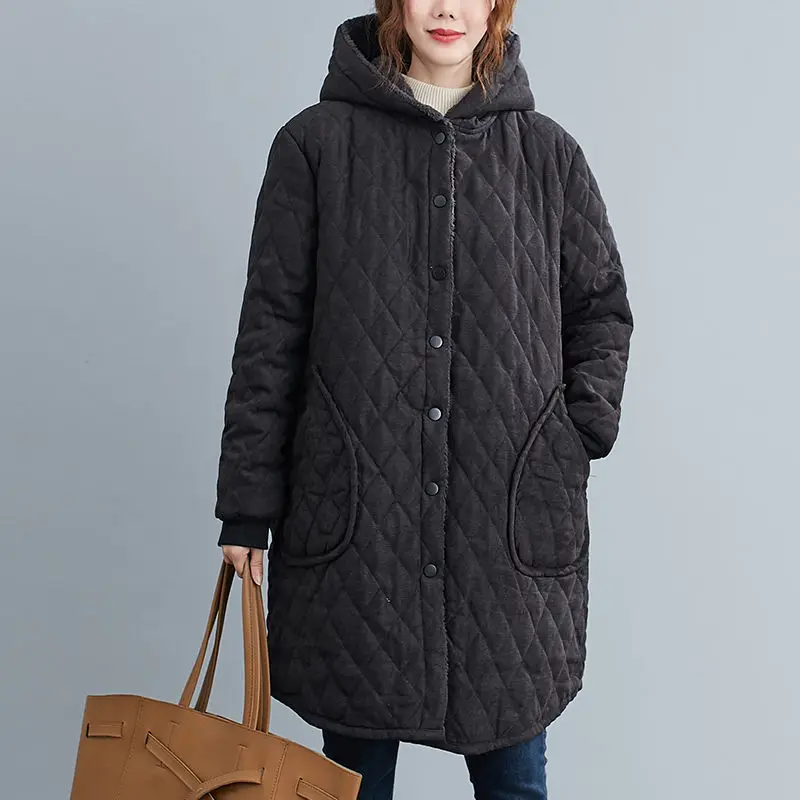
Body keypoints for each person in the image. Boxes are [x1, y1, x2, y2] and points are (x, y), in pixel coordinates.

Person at [215, 1, 634, 797]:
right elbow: (270, 334)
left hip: (503, 534)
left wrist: (571, 433)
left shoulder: (549, 157)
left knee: (514, 783)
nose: (447, 9)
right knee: (353, 784)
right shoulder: (314, 147)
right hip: (360, 529)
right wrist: (245, 509)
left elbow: (601, 310)